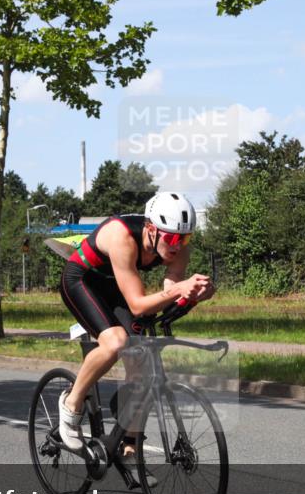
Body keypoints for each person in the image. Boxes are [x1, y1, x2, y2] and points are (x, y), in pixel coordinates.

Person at [58, 192, 215, 465]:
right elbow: (139, 305)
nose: (179, 246)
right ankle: (71, 404)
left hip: (118, 286)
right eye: (174, 238)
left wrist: (192, 296)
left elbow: (168, 294)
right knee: (116, 342)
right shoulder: (122, 237)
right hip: (82, 281)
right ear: (152, 229)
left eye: (186, 238)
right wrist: (180, 288)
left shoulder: (178, 248)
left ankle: (128, 446)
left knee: (142, 362)